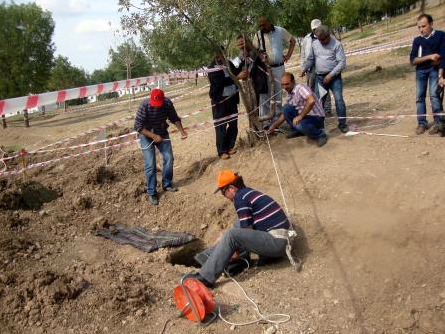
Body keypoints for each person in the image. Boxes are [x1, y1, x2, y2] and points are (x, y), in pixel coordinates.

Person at [190, 170, 292, 288]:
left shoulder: (240, 198)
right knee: (238, 225)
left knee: (232, 235)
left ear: (232, 188)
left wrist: (235, 251)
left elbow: (245, 233)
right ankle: (211, 256)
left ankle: (205, 278)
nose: (224, 196)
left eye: (223, 192)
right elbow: (245, 226)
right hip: (281, 240)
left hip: (277, 243)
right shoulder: (248, 193)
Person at [134, 88, 187, 206]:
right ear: (150, 98)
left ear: (163, 99)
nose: (156, 106)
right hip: (146, 135)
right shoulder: (144, 105)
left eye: (158, 104)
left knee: (169, 158)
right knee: (150, 164)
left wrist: (182, 131)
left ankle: (167, 184)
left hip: (162, 132)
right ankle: (152, 192)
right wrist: (153, 136)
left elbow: (174, 118)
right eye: (154, 103)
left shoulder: (167, 103)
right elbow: (137, 126)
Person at [301, 25, 349, 133]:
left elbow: (342, 63)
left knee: (339, 100)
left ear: (328, 35)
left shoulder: (337, 44)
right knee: (318, 102)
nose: (321, 41)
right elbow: (311, 59)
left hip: (334, 78)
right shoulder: (315, 44)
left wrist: (330, 75)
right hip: (320, 79)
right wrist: (304, 68)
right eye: (319, 39)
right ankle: (320, 126)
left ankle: (342, 124)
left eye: (323, 39)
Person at [253, 15, 296, 129]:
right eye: (260, 25)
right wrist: (260, 55)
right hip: (264, 70)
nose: (262, 27)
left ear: (269, 22)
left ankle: (277, 122)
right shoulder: (257, 35)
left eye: (264, 24)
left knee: (278, 95)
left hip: (279, 68)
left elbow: (292, 41)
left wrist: (288, 55)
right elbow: (254, 50)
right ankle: (266, 124)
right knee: (265, 96)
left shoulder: (280, 30)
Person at [268, 72, 327, 147]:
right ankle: (298, 131)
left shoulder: (300, 88)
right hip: (306, 116)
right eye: (282, 84)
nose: (284, 87)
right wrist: (274, 125)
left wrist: (300, 116)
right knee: (286, 109)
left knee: (299, 124)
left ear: (293, 82)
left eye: (287, 84)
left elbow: (311, 101)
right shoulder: (289, 93)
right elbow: (284, 114)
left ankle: (321, 135)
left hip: (317, 117)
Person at [410, 13, 445, 135]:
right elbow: (413, 60)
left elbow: (443, 56)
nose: (421, 29)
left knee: (434, 96)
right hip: (420, 71)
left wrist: (441, 75)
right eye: (419, 27)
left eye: (423, 26)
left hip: (435, 71)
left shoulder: (441, 36)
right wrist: (430, 56)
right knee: (419, 97)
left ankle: (439, 123)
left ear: (431, 24)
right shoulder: (417, 40)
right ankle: (421, 123)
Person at [208, 48, 240, 160]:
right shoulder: (211, 68)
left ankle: (229, 147)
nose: (220, 55)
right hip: (220, 101)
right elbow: (220, 82)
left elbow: (237, 71)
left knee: (233, 124)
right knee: (221, 126)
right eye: (218, 53)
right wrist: (237, 78)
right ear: (214, 54)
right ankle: (222, 151)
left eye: (222, 53)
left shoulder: (229, 63)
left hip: (232, 98)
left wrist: (243, 59)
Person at [301, 19, 332, 116]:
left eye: (317, 28)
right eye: (314, 29)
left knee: (324, 89)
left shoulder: (326, 37)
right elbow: (303, 54)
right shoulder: (306, 39)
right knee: (311, 89)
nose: (315, 31)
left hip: (322, 67)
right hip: (310, 69)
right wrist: (304, 67)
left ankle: (326, 109)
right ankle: (314, 109)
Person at [236, 34, 269, 105]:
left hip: (262, 84)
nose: (241, 46)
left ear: (248, 42)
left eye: (242, 43)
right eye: (239, 45)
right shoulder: (240, 55)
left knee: (265, 105)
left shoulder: (257, 51)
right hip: (251, 86)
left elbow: (265, 61)